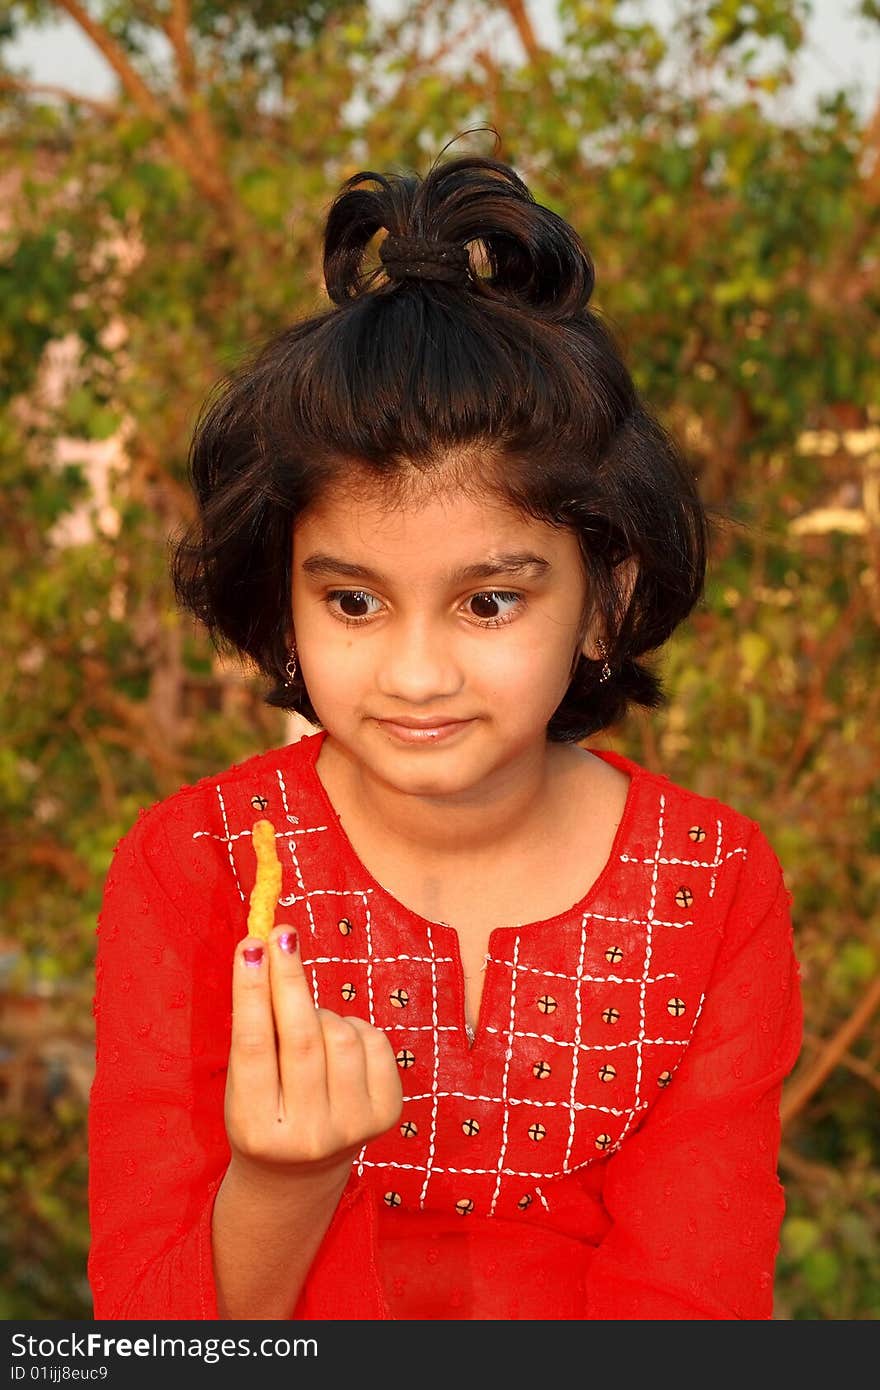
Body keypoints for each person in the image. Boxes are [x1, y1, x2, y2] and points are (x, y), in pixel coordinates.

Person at [86, 137, 803, 1322]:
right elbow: (153, 1336)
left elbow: (692, 1303)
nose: (415, 673)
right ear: (286, 598)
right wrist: (284, 1176)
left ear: (605, 600)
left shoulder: (709, 888)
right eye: (353, 600)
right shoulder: (194, 870)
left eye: (487, 600)